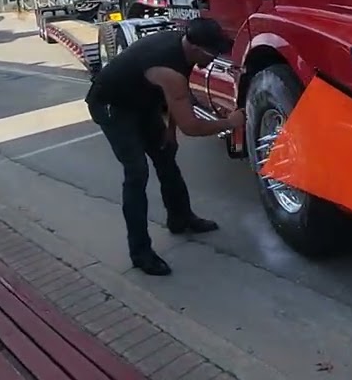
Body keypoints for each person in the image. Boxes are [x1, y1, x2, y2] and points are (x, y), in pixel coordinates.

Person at [85, 17, 245, 276]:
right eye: (212, 52)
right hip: (111, 105)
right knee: (137, 172)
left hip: (141, 101)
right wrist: (230, 122)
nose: (215, 57)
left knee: (166, 155)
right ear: (195, 47)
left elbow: (172, 101)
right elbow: (192, 126)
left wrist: (169, 132)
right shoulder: (168, 69)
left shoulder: (182, 48)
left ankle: (181, 218)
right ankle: (140, 253)